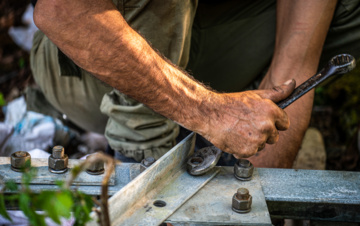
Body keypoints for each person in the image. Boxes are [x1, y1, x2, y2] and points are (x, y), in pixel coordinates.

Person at [30, 0, 360, 167]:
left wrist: (250, 197)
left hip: (197, 49)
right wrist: (208, 111)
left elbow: (296, 64)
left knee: (348, 8)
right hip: (87, 67)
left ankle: (205, 123)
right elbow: (61, 11)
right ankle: (145, 156)